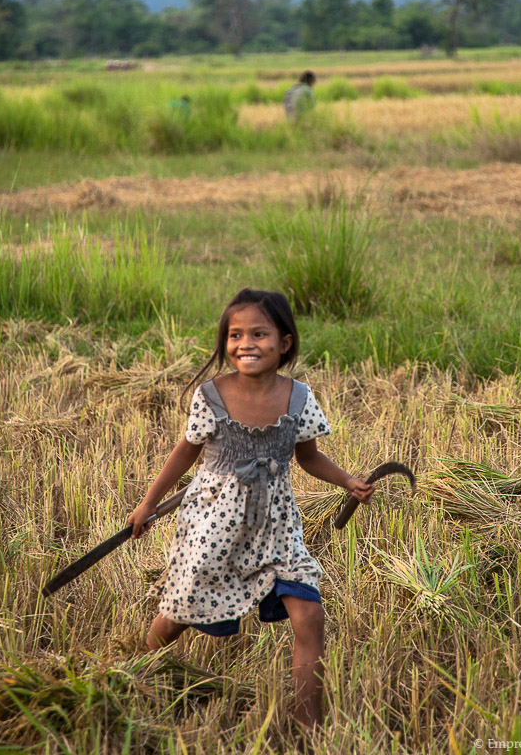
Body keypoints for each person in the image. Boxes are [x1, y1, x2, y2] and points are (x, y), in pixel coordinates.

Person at [128, 287, 374, 731]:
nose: (246, 344)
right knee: (181, 610)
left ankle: (308, 724)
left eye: (259, 334)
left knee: (310, 613)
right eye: (235, 335)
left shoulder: (299, 397)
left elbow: (308, 457)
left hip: (276, 523)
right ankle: (141, 670)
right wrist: (148, 503)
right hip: (215, 523)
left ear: (284, 343)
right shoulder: (210, 396)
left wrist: (348, 481)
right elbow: (185, 452)